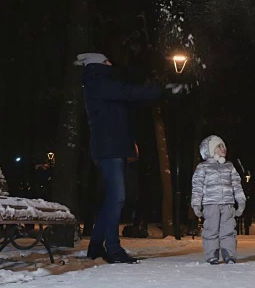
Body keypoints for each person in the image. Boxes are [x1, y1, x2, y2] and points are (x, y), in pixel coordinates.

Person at [78, 52, 183, 264]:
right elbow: (129, 92)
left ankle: (96, 246)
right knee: (117, 197)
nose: (111, 63)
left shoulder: (101, 83)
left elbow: (126, 105)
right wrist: (161, 90)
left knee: (111, 199)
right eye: (107, 61)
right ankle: (114, 249)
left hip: (112, 148)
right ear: (99, 65)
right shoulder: (98, 82)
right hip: (109, 150)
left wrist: (130, 144)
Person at [191, 135, 246, 264]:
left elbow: (236, 185)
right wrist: (196, 204)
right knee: (211, 230)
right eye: (219, 146)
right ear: (210, 150)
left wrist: (241, 201)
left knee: (228, 230)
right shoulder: (203, 167)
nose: (223, 148)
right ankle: (212, 255)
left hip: (227, 204)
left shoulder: (229, 166)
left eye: (223, 146)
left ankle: (229, 254)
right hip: (210, 204)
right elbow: (197, 186)